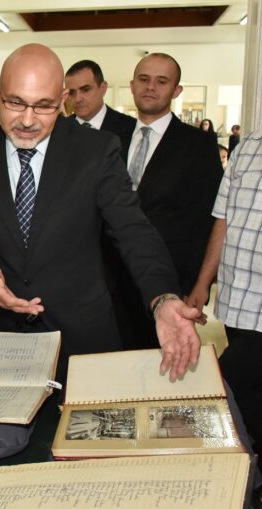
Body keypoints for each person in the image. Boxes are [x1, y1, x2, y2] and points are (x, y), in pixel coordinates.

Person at [0, 43, 202, 382]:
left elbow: (133, 230)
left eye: (44, 106)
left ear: (62, 99)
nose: (28, 120)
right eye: (15, 102)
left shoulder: (96, 151)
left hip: (83, 338)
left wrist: (163, 298)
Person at [112, 53, 223, 349]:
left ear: (176, 91)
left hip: (169, 282)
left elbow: (206, 221)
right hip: (108, 281)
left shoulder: (198, 145)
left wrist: (199, 285)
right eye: (144, 80)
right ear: (132, 85)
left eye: (162, 82)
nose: (151, 87)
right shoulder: (110, 138)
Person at [187, 127, 262, 476]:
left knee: (226, 390)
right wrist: (203, 283)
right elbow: (224, 218)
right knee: (247, 403)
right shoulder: (248, 144)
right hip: (237, 302)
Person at [64, 59, 136, 145]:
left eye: (85, 90)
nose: (77, 99)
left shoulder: (131, 128)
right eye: (71, 93)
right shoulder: (59, 129)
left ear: (103, 88)